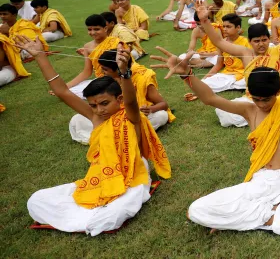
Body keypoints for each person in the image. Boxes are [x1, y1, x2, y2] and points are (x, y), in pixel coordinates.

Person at [166, 47, 280, 236]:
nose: (262, 104)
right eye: (257, 99)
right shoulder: (248, 110)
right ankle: (269, 214)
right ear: (249, 93)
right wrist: (186, 75)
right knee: (196, 209)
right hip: (261, 180)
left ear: (278, 91)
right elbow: (210, 98)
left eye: (266, 99)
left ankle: (256, 217)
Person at [18, 39, 170, 236]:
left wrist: (124, 72)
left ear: (120, 99)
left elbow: (132, 100)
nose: (99, 110)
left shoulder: (131, 116)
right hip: (97, 179)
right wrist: (39, 56)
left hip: (133, 178)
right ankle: (89, 215)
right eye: (94, 105)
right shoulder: (96, 117)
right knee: (36, 199)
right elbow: (62, 91)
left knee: (111, 217)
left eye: (104, 103)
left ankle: (89, 217)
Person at [188, 0, 280, 127]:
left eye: (264, 40)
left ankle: (273, 114)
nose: (261, 44)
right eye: (257, 41)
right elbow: (219, 42)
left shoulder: (278, 50)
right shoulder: (245, 53)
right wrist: (205, 20)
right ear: (250, 41)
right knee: (222, 112)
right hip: (254, 100)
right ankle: (271, 116)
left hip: (277, 98)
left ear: (268, 39)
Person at [68, 49, 174, 144]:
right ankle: (114, 136)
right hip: (109, 118)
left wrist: (150, 109)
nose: (102, 72)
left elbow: (163, 104)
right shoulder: (105, 81)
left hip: (133, 119)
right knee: (76, 119)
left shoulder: (142, 79)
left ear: (118, 70)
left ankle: (112, 136)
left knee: (161, 116)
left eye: (105, 69)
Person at [65, 15, 122, 97]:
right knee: (69, 92)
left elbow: (123, 68)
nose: (92, 32)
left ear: (105, 29)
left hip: (118, 79)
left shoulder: (116, 42)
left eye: (96, 29)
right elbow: (87, 71)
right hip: (101, 80)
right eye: (89, 29)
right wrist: (66, 86)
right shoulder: (87, 46)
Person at [197, 13, 251, 93]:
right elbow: (219, 64)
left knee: (245, 82)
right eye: (224, 26)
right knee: (204, 83)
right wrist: (205, 78)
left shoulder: (246, 42)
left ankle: (236, 85)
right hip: (227, 74)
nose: (225, 29)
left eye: (228, 27)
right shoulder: (221, 43)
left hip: (243, 74)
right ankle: (233, 85)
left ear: (238, 28)